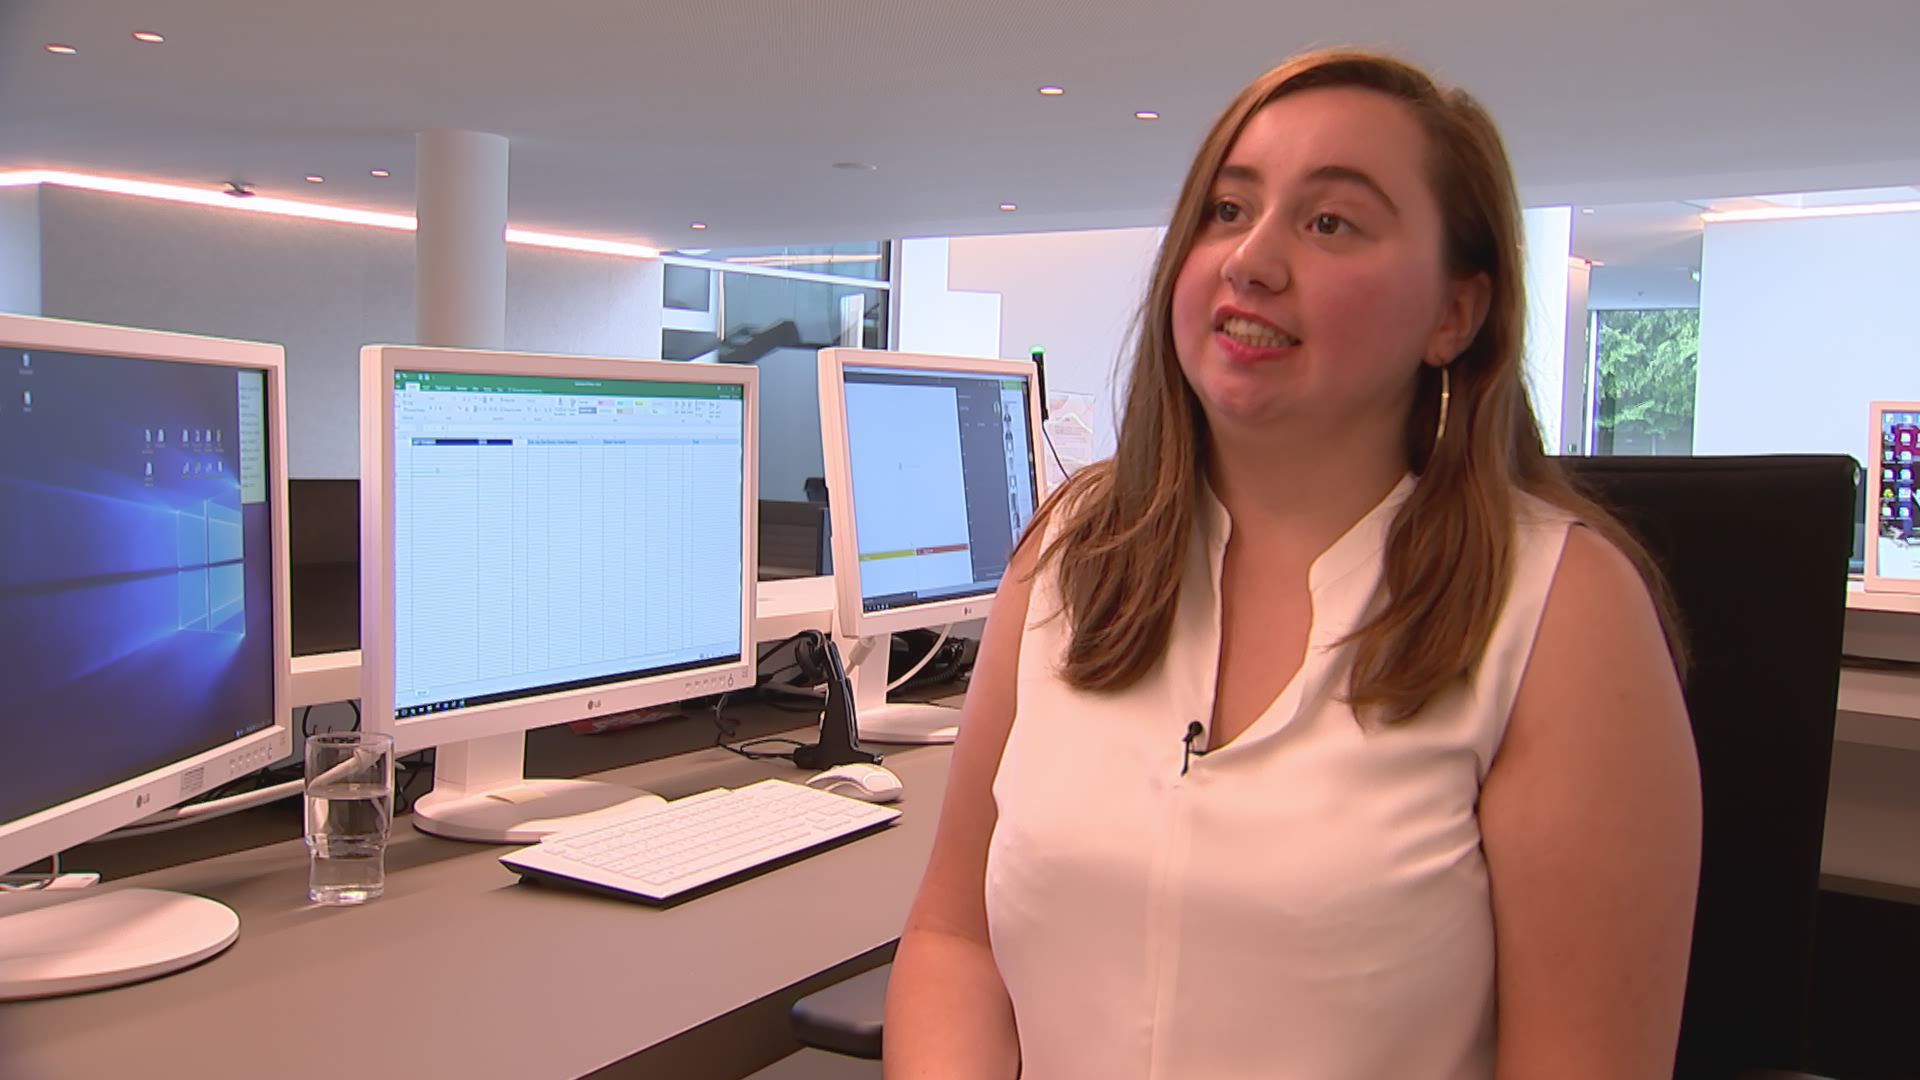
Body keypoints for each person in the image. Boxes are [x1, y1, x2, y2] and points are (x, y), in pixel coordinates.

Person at [884, 49, 1702, 1080]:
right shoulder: (1070, 552)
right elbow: (955, 942)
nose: (1251, 260)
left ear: (1454, 313)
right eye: (1227, 210)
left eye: (1330, 223)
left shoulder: (1564, 613)